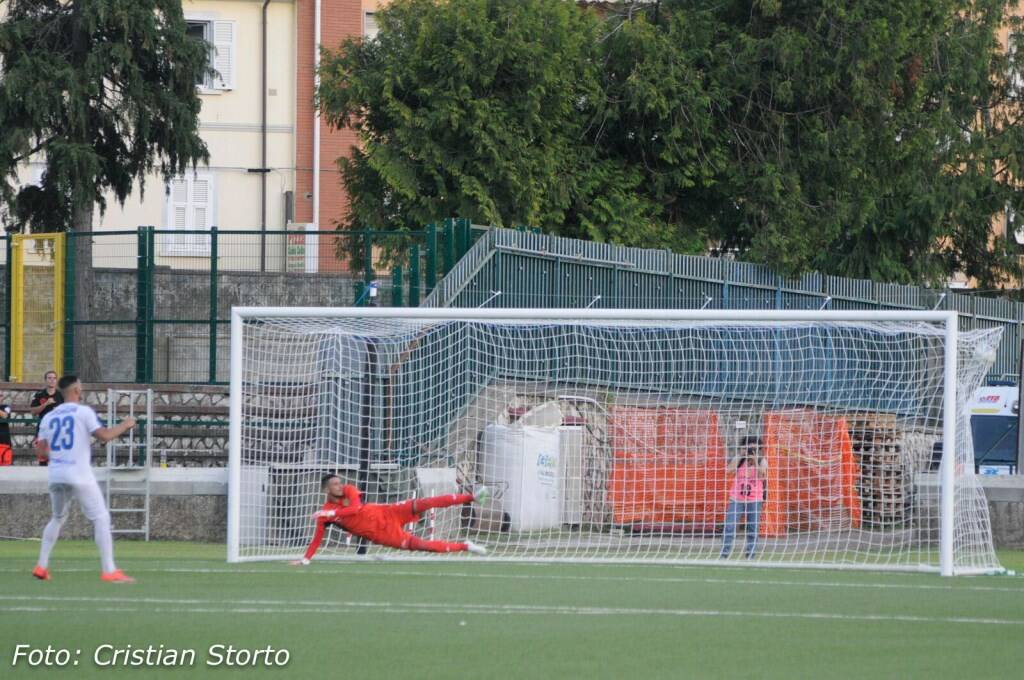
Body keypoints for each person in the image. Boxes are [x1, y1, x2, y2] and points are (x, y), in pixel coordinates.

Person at [31, 375, 138, 583]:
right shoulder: (83, 412)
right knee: (101, 517)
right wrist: (125, 425)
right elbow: (105, 436)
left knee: (58, 517)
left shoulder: (49, 417)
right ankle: (109, 570)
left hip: (56, 474)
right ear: (77, 390)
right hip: (78, 473)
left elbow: (41, 452)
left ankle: (41, 566)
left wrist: (61, 456)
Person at [293, 475, 490, 564]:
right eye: (334, 485)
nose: (340, 486)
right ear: (326, 490)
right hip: (382, 534)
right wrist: (305, 559)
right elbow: (317, 538)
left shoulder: (348, 492)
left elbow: (354, 509)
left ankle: (471, 497)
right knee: (422, 545)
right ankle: (465, 546)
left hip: (387, 512)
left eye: (340, 482)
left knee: (424, 502)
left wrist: (330, 514)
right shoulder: (325, 513)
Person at [720, 435, 768, 560]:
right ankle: (724, 555)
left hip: (755, 499)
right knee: (729, 526)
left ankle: (750, 555)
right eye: (749, 446)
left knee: (753, 528)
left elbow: (762, 476)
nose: (751, 449)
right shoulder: (740, 459)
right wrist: (741, 456)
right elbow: (728, 470)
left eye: (754, 446)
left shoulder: (762, 460)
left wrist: (755, 460)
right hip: (737, 498)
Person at [30, 371, 63, 466]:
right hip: (43, 430)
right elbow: (33, 411)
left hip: (57, 430)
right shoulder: (39, 395)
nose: (52, 380)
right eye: (49, 378)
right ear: (45, 380)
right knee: (43, 458)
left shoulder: (61, 395)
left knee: (56, 458)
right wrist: (45, 404)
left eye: (54, 378)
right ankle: (43, 478)